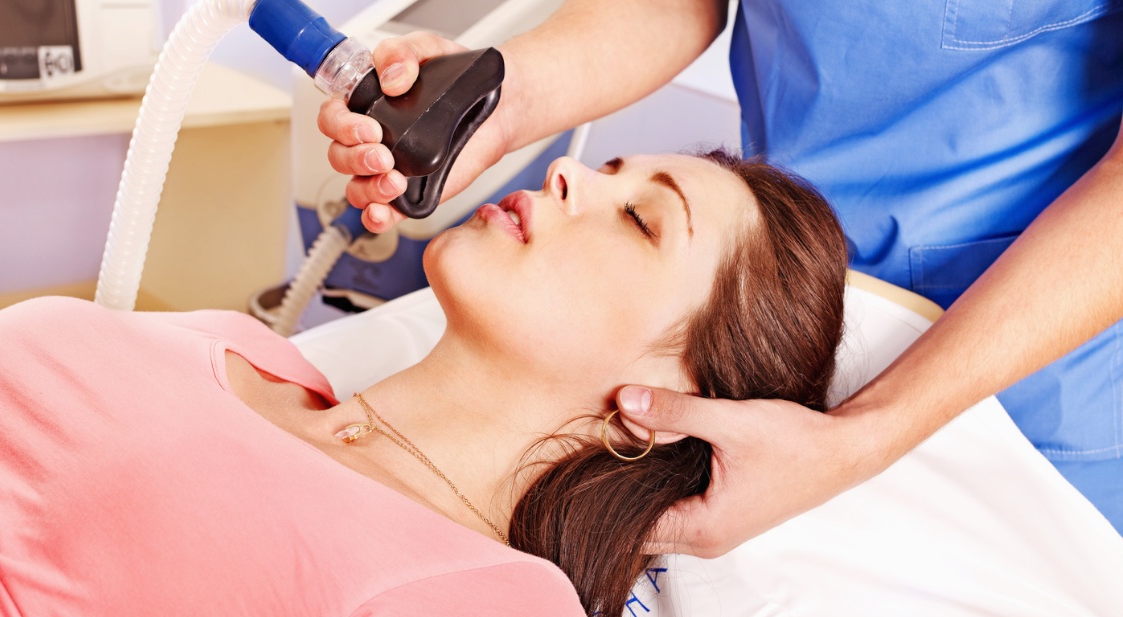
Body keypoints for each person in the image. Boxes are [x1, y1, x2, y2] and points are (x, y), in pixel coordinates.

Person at [0, 151, 846, 617]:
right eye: (609, 164)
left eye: (638, 220)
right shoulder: (247, 350)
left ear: (676, 393)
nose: (574, 170)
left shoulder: (494, 607)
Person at [317, 0, 1123, 546]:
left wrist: (865, 432)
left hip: (1027, 375)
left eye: (640, 216)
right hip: (767, 300)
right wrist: (504, 104)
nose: (567, 177)